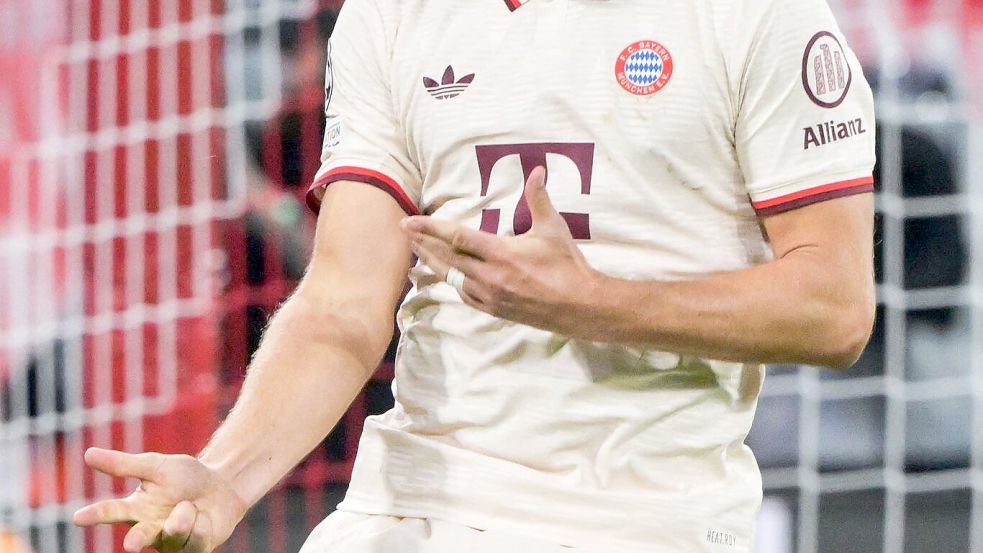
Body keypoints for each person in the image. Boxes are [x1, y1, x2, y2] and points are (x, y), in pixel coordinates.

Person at [73, 0, 877, 551]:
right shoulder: (391, 16)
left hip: (640, 517)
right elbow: (340, 305)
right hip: (409, 505)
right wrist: (226, 476)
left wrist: (594, 303)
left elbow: (833, 306)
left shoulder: (762, 16)